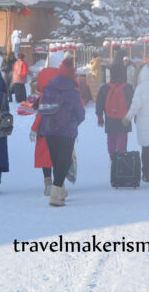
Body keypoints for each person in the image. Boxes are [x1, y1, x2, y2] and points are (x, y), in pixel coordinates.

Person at [40, 58, 85, 207]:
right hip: (66, 132)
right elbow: (81, 114)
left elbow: (42, 108)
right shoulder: (73, 92)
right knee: (64, 162)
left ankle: (61, 191)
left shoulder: (49, 88)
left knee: (56, 162)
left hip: (49, 131)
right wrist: (74, 123)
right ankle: (55, 195)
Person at [29, 66, 59, 196]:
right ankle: (59, 184)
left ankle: (48, 182)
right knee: (58, 158)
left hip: (45, 131)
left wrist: (33, 129)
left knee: (45, 158)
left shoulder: (44, 95)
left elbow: (41, 114)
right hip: (60, 131)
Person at [96, 61, 134, 159]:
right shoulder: (129, 88)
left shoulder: (105, 88)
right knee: (122, 137)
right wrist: (133, 115)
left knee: (111, 137)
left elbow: (99, 103)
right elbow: (133, 103)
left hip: (110, 118)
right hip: (124, 118)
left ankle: (112, 157)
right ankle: (121, 159)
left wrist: (100, 116)